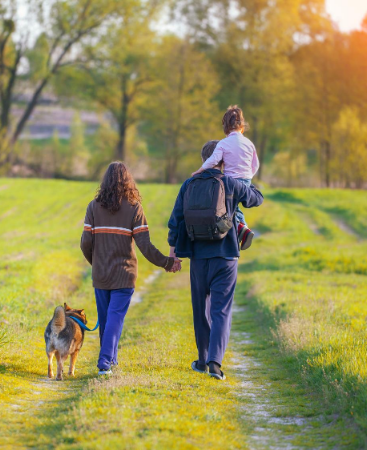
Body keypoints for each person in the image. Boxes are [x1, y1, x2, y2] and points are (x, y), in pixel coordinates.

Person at [169, 141, 263, 380]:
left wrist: (174, 252)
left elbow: (176, 220)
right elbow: (256, 199)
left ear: (204, 159)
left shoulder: (188, 184)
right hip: (226, 256)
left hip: (198, 257)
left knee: (200, 310)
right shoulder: (230, 183)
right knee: (221, 310)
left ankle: (201, 360)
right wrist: (245, 175)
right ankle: (215, 363)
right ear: (223, 159)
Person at [81, 162, 181, 376]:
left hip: (101, 275)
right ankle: (106, 362)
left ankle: (110, 360)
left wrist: (96, 263)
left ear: (105, 181)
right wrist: (167, 261)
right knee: (114, 318)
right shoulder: (134, 207)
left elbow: (85, 243)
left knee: (107, 319)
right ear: (128, 181)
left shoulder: (93, 207)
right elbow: (145, 246)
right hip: (125, 275)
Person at [191, 106, 259, 250]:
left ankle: (242, 228)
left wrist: (200, 169)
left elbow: (213, 160)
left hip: (229, 181)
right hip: (246, 180)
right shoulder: (249, 144)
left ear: (226, 128)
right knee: (235, 206)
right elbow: (255, 164)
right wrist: (248, 176)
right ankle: (242, 228)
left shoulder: (223, 143)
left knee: (230, 209)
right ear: (242, 127)